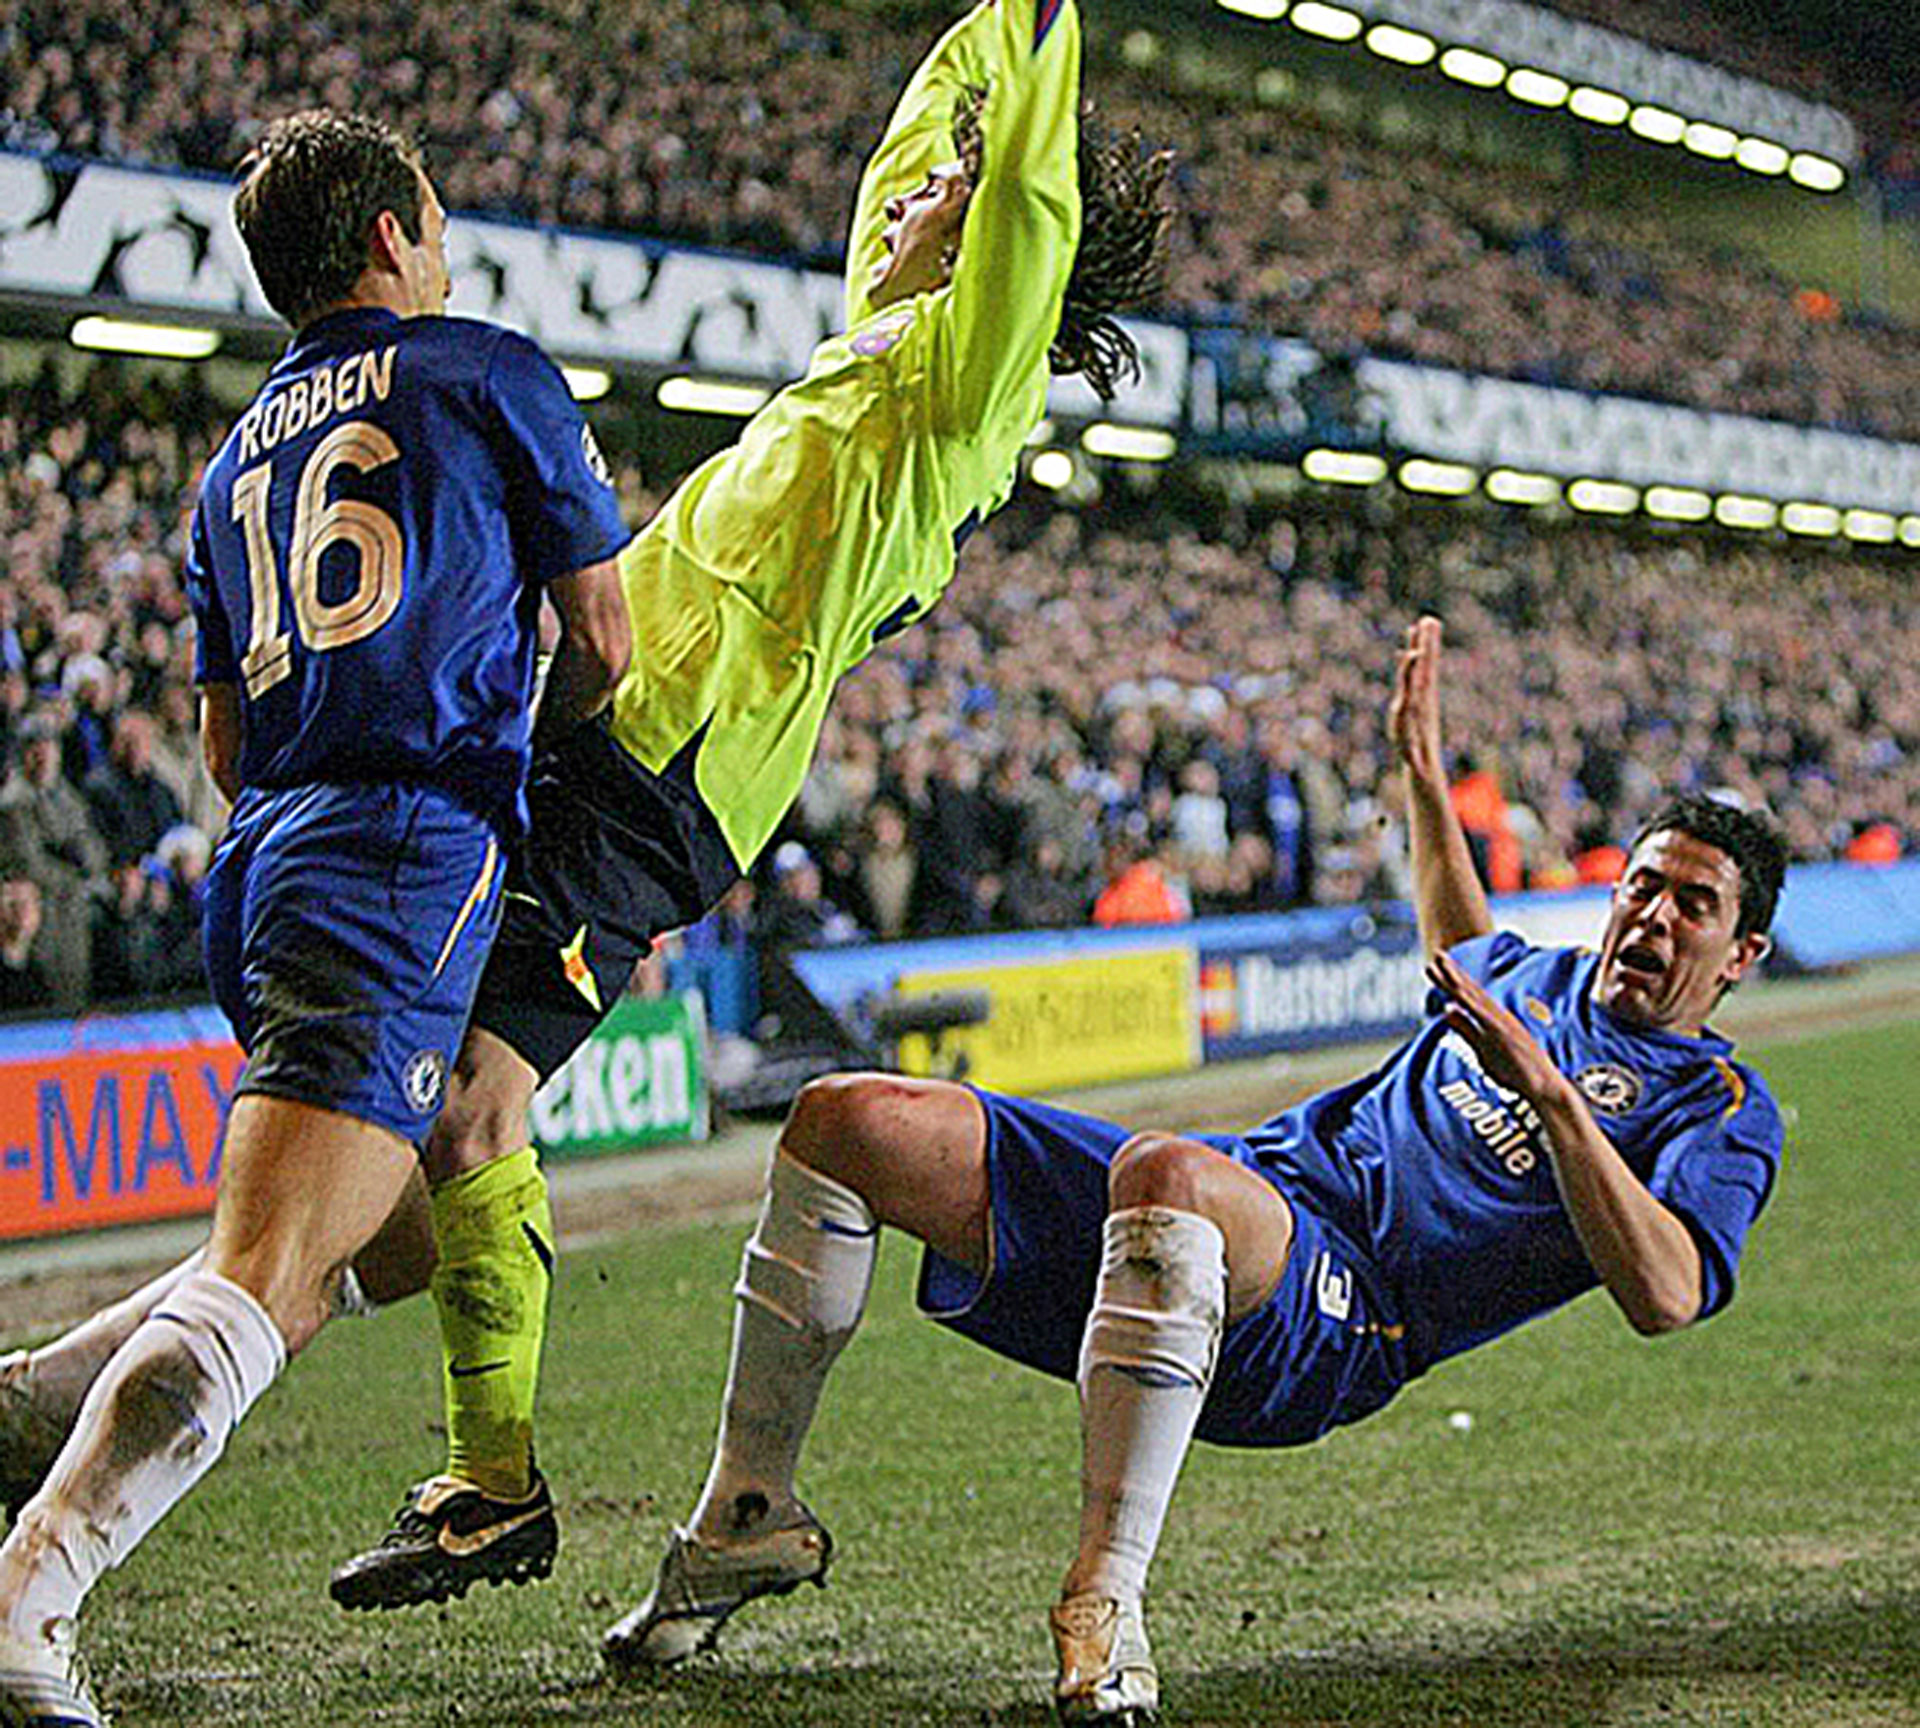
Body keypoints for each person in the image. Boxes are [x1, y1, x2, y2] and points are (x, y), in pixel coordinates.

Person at [0, 0, 1175, 1629]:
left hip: (653, 776)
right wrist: (986, 39)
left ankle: (487, 1488)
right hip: (588, 742)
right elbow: (928, 152)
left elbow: (1025, 217)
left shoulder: (962, 396)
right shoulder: (875, 349)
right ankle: (77, 1390)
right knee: (388, 1181)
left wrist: (1038, 69)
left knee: (467, 1109)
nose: (900, 208)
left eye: (941, 207)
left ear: (996, 269)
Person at [600, 616, 1788, 1724]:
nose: (1655, 917)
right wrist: (1421, 772)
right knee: (843, 1120)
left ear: (1741, 953)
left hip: (1343, 1319)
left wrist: (1554, 1102)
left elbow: (1668, 1294)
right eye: (1644, 885)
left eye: (1694, 906)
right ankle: (743, 1515)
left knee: (1168, 1176)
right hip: (1234, 1196)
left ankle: (1101, 1605)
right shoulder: (1539, 976)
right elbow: (1458, 940)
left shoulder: (1721, 1108)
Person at [0, 109, 631, 1727]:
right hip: (402, 849)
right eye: (433, 221)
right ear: (387, 240)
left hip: (271, 852)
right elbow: (607, 644)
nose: (448, 247)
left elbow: (218, 740)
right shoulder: (487, 372)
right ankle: (28, 1595)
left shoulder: (232, 464)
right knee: (276, 1263)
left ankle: (31, 1407)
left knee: (388, 1237)